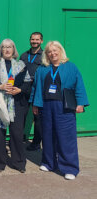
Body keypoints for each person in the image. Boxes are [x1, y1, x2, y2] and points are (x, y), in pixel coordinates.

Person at [30, 41, 89, 180]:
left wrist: (80, 104)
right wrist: (35, 104)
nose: (53, 53)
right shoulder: (43, 69)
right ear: (46, 54)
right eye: (50, 51)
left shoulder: (71, 67)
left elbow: (79, 85)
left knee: (66, 137)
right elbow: (36, 88)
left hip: (64, 106)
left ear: (61, 51)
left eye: (55, 50)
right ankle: (49, 163)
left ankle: (70, 168)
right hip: (46, 105)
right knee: (48, 135)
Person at [0, 39, 31, 173]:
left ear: (14, 49)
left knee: (17, 134)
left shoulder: (21, 65)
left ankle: (19, 163)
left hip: (16, 103)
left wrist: (20, 90)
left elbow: (28, 83)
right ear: (1, 50)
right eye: (4, 47)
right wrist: (0, 86)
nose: (7, 50)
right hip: (0, 102)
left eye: (10, 47)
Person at [20, 32, 44, 151]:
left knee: (38, 118)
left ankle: (36, 142)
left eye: (37, 39)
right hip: (24, 90)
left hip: (38, 90)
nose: (34, 41)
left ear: (41, 41)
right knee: (22, 115)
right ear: (30, 40)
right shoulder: (24, 55)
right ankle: (21, 138)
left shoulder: (45, 56)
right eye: (32, 39)